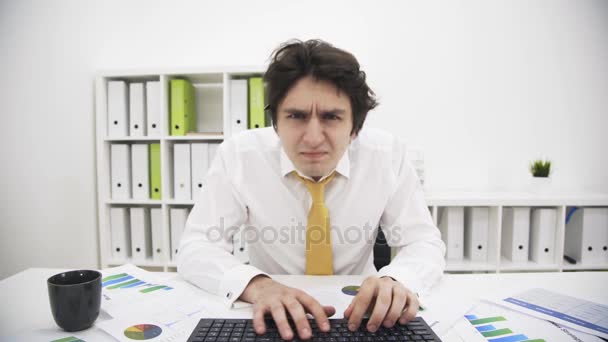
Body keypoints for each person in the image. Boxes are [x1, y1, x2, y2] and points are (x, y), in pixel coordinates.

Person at [178, 39, 446, 341]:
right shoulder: (239, 157)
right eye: (296, 116)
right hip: (274, 310)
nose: (313, 137)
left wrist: (398, 279)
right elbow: (197, 245)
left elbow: (423, 240)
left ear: (355, 127)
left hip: (362, 310)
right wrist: (257, 286)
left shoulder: (387, 156)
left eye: (331, 117)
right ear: (276, 122)